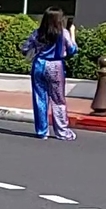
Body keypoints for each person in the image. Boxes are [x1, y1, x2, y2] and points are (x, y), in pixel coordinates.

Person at [23, 9, 79, 140]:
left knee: (39, 99)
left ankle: (42, 131)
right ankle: (62, 132)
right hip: (55, 66)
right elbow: (72, 50)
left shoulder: (37, 33)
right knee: (58, 99)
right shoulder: (63, 33)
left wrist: (37, 49)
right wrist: (73, 34)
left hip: (38, 65)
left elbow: (25, 48)